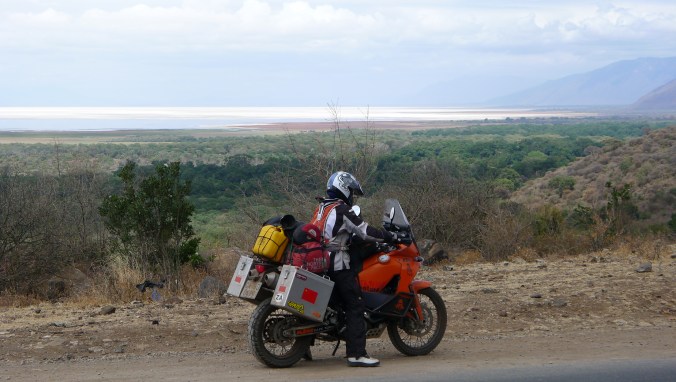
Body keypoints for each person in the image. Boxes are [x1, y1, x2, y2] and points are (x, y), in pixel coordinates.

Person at [310, 171, 398, 367]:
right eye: (351, 192)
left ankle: (304, 349)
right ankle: (357, 354)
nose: (351, 196)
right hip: (338, 263)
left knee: (333, 304)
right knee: (355, 304)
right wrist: (388, 236)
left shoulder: (322, 207)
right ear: (344, 189)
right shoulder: (342, 209)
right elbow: (364, 231)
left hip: (320, 261)